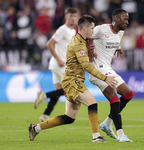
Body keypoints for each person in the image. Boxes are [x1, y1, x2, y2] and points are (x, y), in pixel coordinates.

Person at [28, 14, 118, 142]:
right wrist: (105, 78)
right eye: (92, 28)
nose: (93, 31)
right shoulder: (78, 43)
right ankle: (96, 137)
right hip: (72, 80)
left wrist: (88, 53)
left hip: (71, 80)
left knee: (69, 118)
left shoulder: (80, 40)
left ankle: (35, 128)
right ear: (85, 28)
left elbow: (81, 60)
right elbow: (85, 65)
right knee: (92, 102)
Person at [88, 8, 135, 142]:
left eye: (128, 19)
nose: (127, 21)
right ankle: (121, 136)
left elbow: (113, 41)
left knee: (128, 94)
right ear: (116, 19)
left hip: (107, 68)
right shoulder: (101, 29)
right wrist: (87, 48)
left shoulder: (120, 32)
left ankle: (107, 123)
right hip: (97, 70)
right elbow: (83, 36)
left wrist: (118, 48)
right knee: (115, 99)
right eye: (125, 19)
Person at [34, 7, 77, 122]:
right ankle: (43, 95)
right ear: (66, 17)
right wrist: (58, 59)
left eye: (74, 16)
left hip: (61, 64)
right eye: (70, 16)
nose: (72, 18)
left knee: (58, 90)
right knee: (69, 90)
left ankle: (45, 115)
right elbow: (49, 44)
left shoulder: (73, 31)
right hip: (59, 64)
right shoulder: (63, 29)